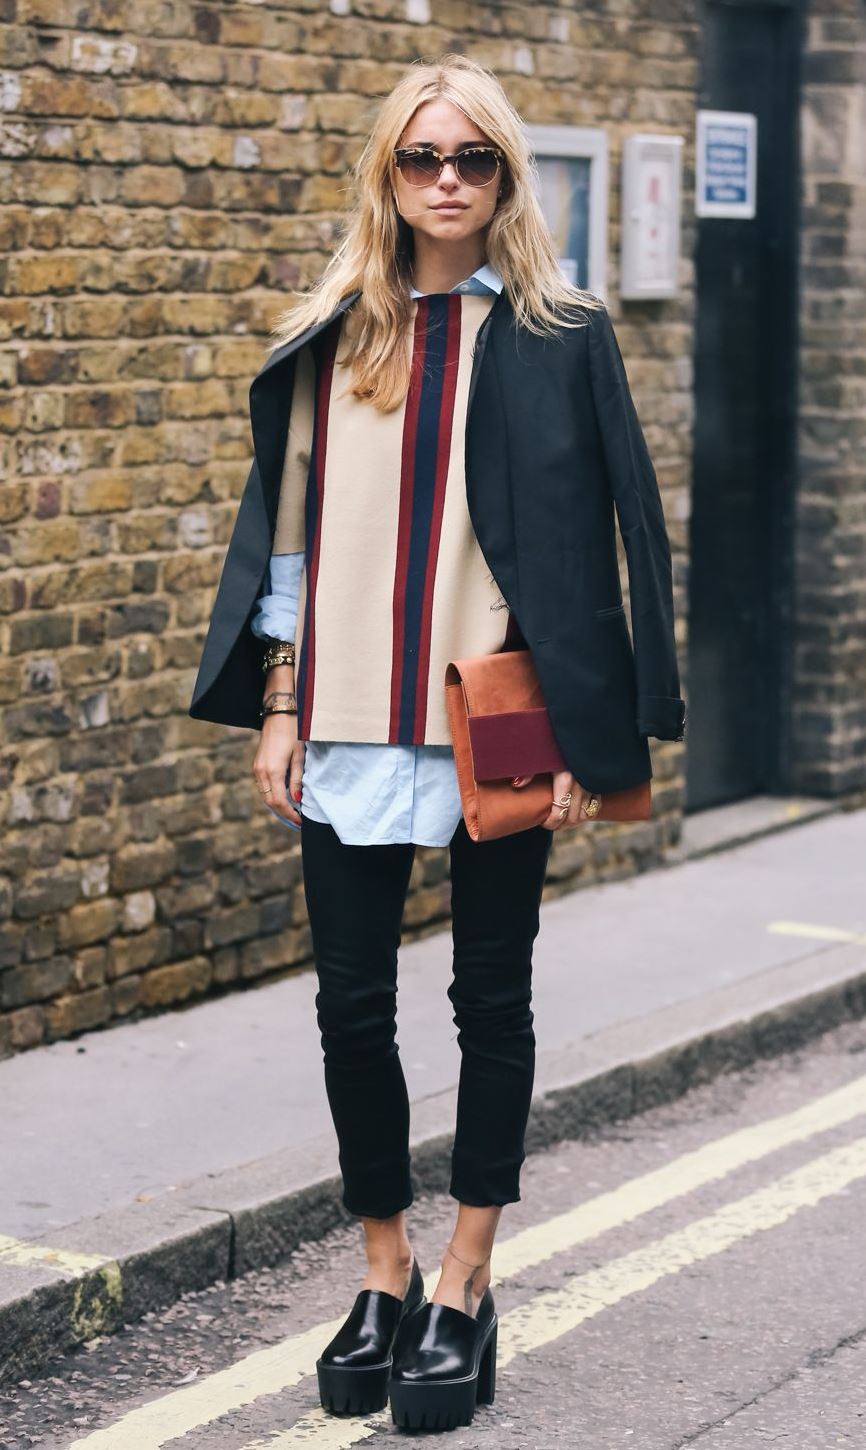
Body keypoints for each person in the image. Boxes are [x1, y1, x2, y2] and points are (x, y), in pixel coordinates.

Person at [189, 52, 685, 1434]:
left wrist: (604, 729)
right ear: (387, 174)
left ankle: (466, 1276)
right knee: (350, 1008)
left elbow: (611, 540)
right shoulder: (331, 328)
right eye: (424, 157)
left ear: (504, 174)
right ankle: (382, 1270)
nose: (449, 180)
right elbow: (281, 537)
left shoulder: (556, 329)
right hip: (346, 709)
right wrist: (280, 705)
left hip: (500, 720)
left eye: (474, 158)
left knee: (492, 1005)